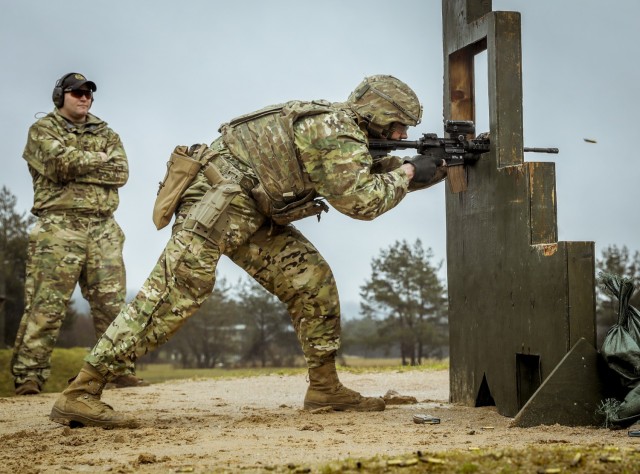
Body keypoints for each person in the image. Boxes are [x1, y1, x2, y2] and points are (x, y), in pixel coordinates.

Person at [50, 74, 446, 427]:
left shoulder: (346, 132)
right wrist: (410, 172)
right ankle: (81, 391)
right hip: (218, 200)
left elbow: (366, 174)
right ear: (377, 113)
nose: (399, 135)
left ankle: (324, 388)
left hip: (250, 208)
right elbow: (362, 201)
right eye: (398, 127)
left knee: (311, 280)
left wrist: (433, 166)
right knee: (175, 293)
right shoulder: (334, 130)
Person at [11, 72, 147, 395]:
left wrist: (83, 165)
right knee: (46, 306)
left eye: (88, 93)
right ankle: (29, 376)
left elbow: (121, 171)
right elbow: (59, 165)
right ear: (60, 96)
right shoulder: (42, 131)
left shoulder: (106, 132)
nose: (84, 97)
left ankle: (118, 370)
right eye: (76, 92)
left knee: (112, 306)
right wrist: (98, 161)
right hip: (59, 226)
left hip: (103, 228)